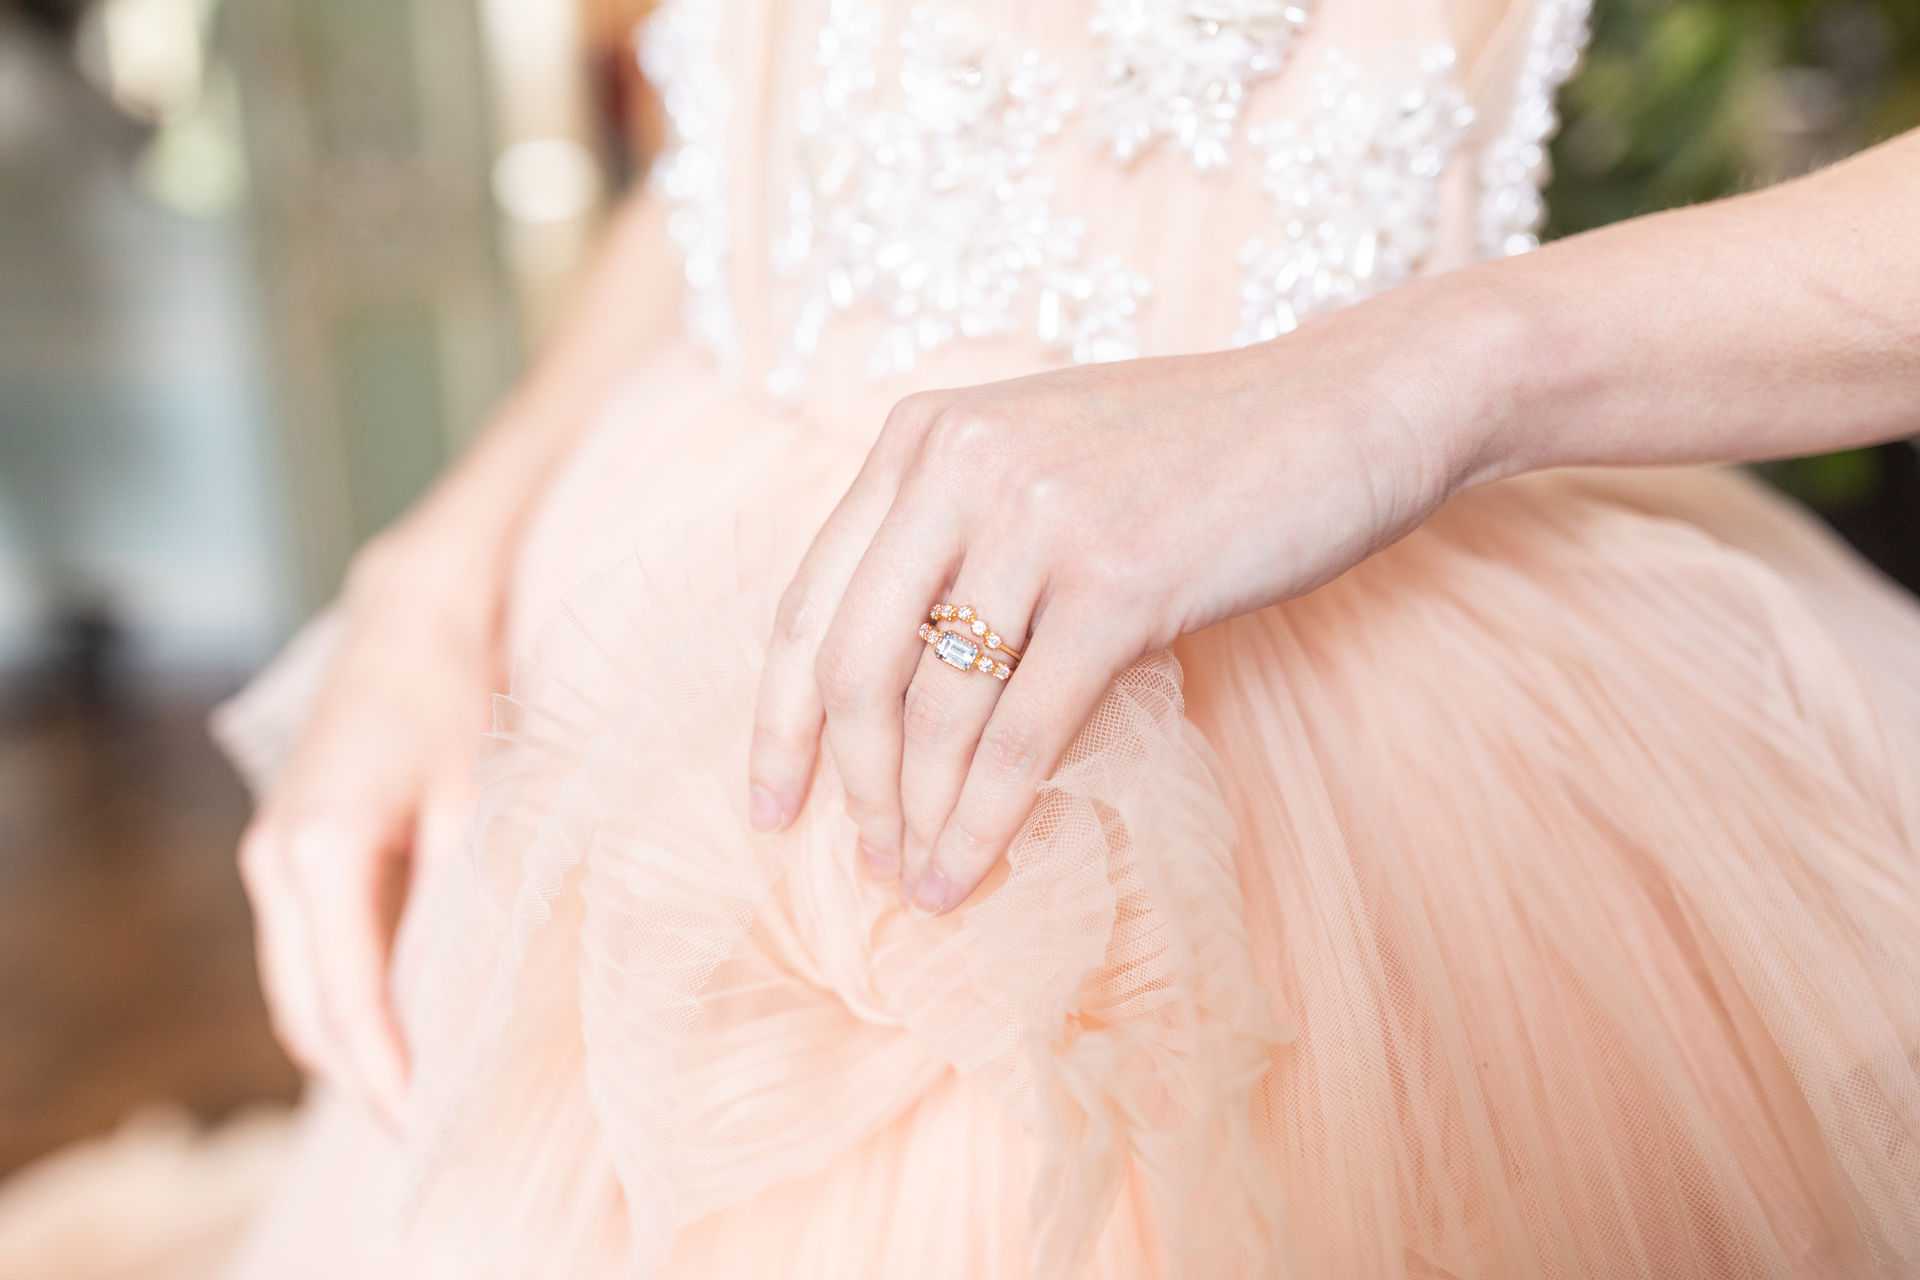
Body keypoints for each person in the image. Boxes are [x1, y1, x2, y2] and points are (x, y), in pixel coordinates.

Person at [211, 0, 1920, 1274]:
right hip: (673, 662)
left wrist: (1412, 382)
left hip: (1351, 737)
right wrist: (438, 573)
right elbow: (776, 121)